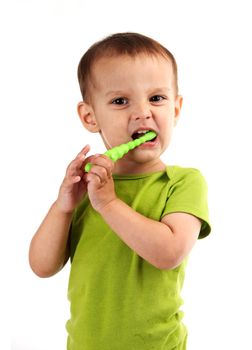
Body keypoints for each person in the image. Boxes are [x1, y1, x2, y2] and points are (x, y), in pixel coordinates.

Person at [29, 32, 211, 350]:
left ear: (177, 109)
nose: (142, 112)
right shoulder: (87, 187)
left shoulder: (183, 182)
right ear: (90, 117)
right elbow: (42, 266)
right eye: (120, 101)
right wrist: (63, 207)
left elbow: (168, 253)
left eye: (156, 98)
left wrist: (109, 203)